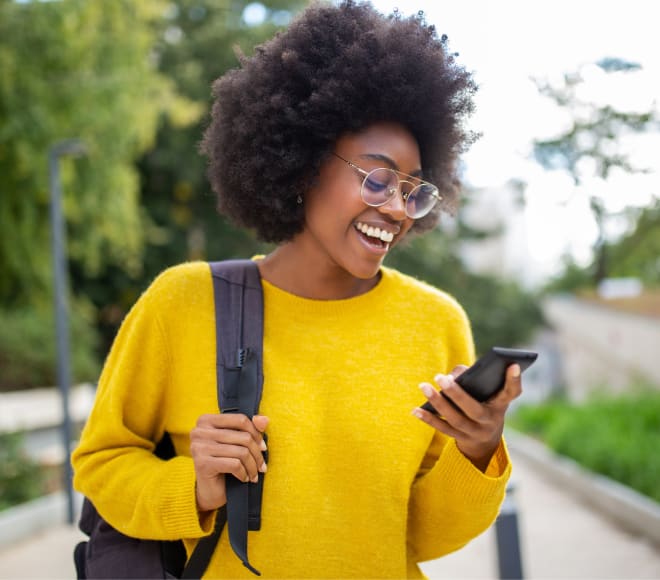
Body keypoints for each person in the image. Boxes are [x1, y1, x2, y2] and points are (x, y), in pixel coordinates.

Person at [72, 1, 523, 577]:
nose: (395, 209)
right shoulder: (182, 302)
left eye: (413, 191)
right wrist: (195, 487)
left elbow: (420, 537)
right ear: (303, 163)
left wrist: (477, 450)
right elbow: (100, 463)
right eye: (377, 178)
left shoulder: (435, 322)